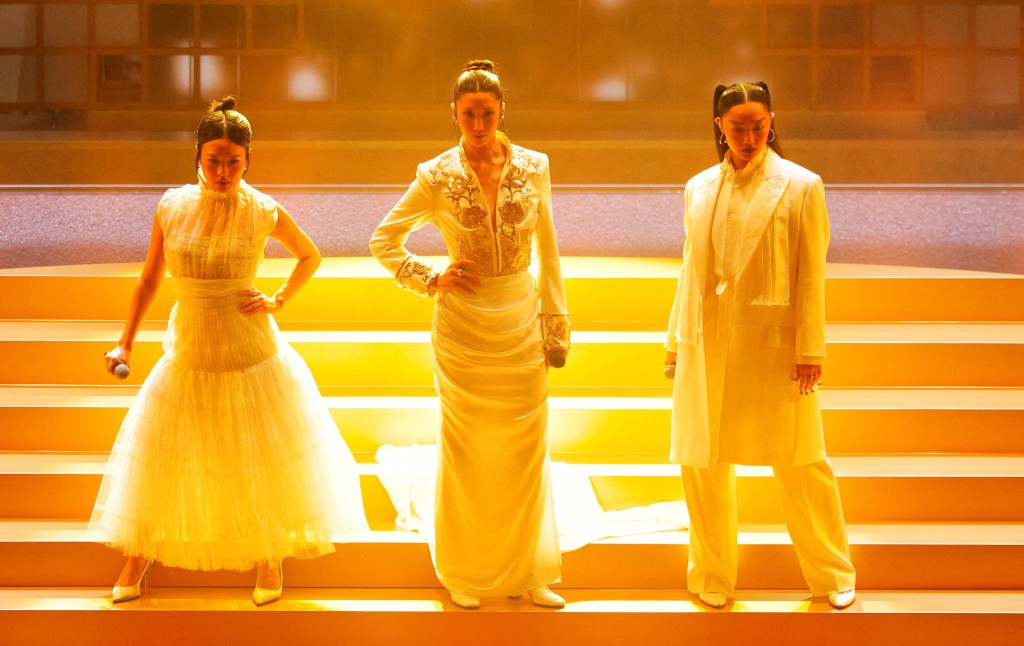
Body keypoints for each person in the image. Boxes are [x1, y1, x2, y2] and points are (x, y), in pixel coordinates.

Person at [91, 96, 368, 606]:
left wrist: (279, 298)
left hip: (249, 346)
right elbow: (150, 276)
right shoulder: (172, 205)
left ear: (248, 161)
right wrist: (126, 339)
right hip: (190, 341)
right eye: (213, 159)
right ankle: (139, 552)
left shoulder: (262, 209)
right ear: (197, 156)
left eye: (233, 162)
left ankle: (269, 556)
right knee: (169, 448)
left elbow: (310, 255)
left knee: (260, 451)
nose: (222, 170)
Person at [369, 60, 570, 609]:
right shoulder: (435, 174)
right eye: (467, 115)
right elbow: (383, 240)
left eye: (486, 113)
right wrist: (431, 277)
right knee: (466, 449)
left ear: (502, 111)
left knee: (527, 446)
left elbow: (548, 248)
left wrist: (555, 325)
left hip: (519, 318)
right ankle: (464, 569)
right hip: (463, 328)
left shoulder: (535, 166)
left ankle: (531, 570)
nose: (477, 124)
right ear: (454, 115)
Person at [664, 81, 856, 610]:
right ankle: (711, 574)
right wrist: (675, 341)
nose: (749, 137)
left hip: (773, 345)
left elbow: (812, 273)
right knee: (704, 464)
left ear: (772, 122)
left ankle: (831, 572)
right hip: (708, 339)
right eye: (737, 127)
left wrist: (810, 349)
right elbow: (689, 266)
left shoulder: (801, 186)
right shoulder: (699, 186)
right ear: (719, 127)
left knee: (800, 461)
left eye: (758, 125)